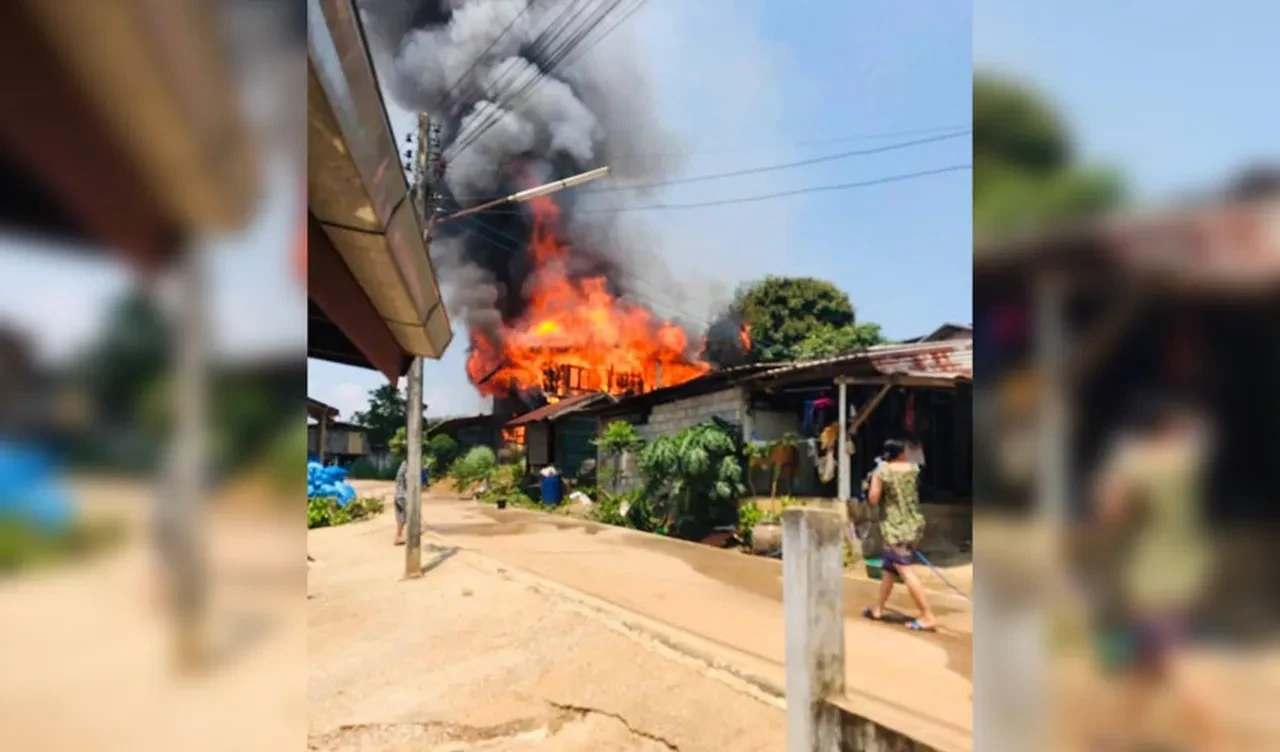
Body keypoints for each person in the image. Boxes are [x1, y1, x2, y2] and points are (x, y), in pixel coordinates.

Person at [1089, 395, 1218, 750]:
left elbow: (1109, 513)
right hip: (1188, 572)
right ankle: (1116, 736)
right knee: (1144, 664)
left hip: (1150, 578)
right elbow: (1198, 432)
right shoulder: (1187, 460)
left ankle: (1215, 741)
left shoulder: (1136, 463)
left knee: (1174, 665)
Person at [861, 438, 937, 631]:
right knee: (889, 568)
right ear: (901, 454)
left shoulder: (882, 472)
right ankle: (878, 608)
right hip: (913, 525)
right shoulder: (913, 469)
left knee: (905, 571)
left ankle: (927, 615)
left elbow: (873, 499)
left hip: (895, 528)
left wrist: (873, 479)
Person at [393, 457, 407, 546]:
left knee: (400, 516)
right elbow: (408, 481)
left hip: (397, 494)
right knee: (407, 515)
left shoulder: (402, 465)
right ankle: (399, 536)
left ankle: (398, 536)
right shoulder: (408, 466)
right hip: (403, 495)